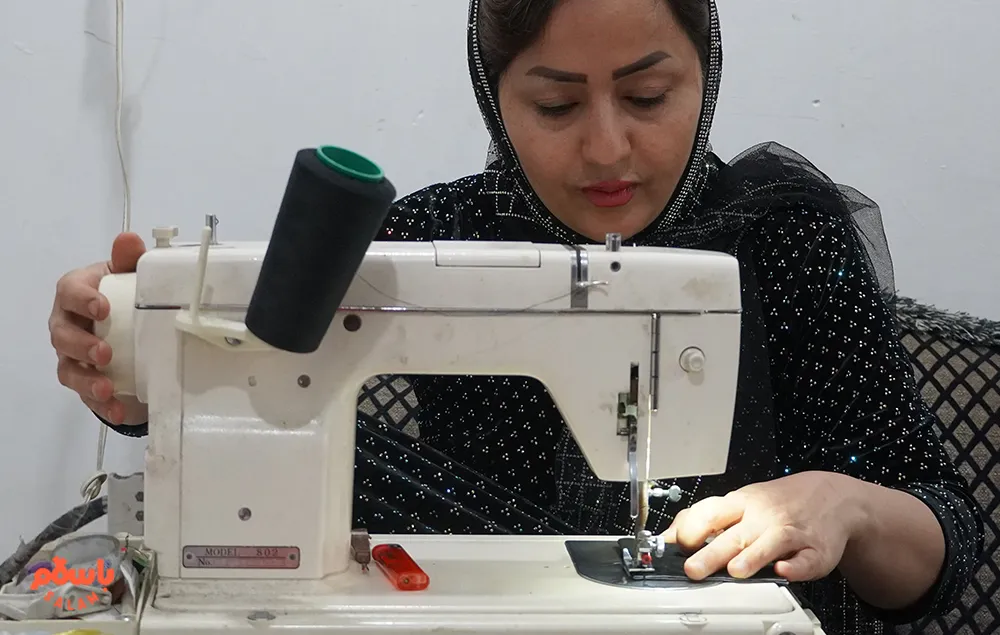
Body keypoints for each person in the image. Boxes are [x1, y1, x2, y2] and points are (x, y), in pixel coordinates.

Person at [48, 0, 983, 632]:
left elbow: (938, 560)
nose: (607, 147)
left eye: (648, 96)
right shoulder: (428, 237)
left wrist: (848, 503)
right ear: (495, 96)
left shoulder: (785, 237)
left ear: (706, 75)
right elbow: (259, 375)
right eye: (557, 104)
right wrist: (128, 348)